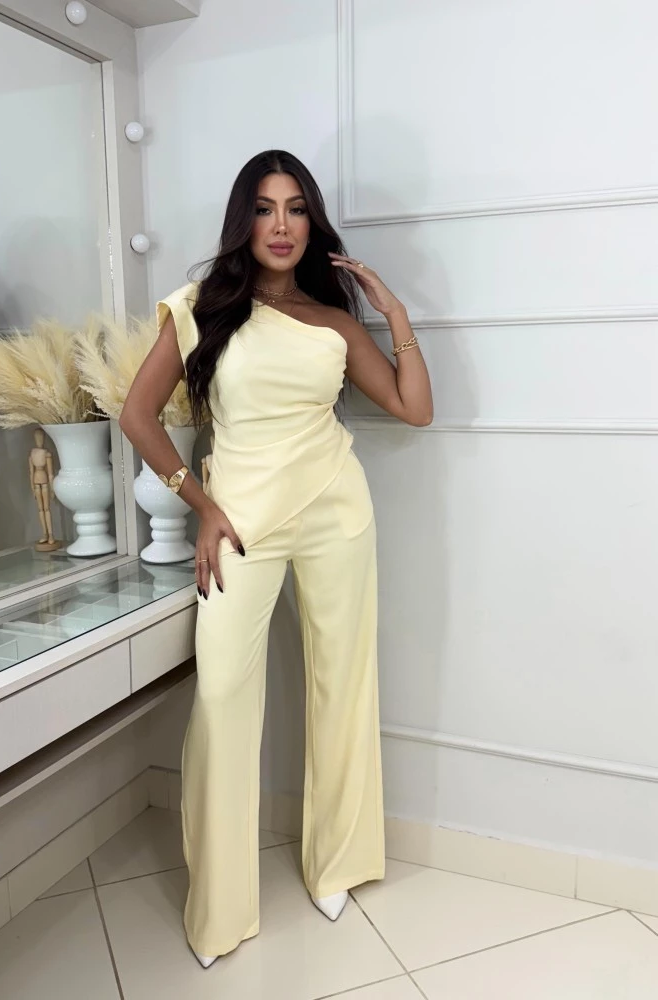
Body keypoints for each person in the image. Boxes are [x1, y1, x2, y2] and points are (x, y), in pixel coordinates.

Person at [120, 150, 433, 967]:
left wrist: (393, 312)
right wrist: (202, 505)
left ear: (311, 222)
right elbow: (137, 415)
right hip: (240, 524)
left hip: (337, 510)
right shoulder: (199, 307)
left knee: (342, 684)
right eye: (264, 209)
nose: (282, 225)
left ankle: (338, 863)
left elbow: (414, 408)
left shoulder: (333, 322)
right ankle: (219, 906)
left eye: (295, 208)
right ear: (244, 222)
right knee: (223, 696)